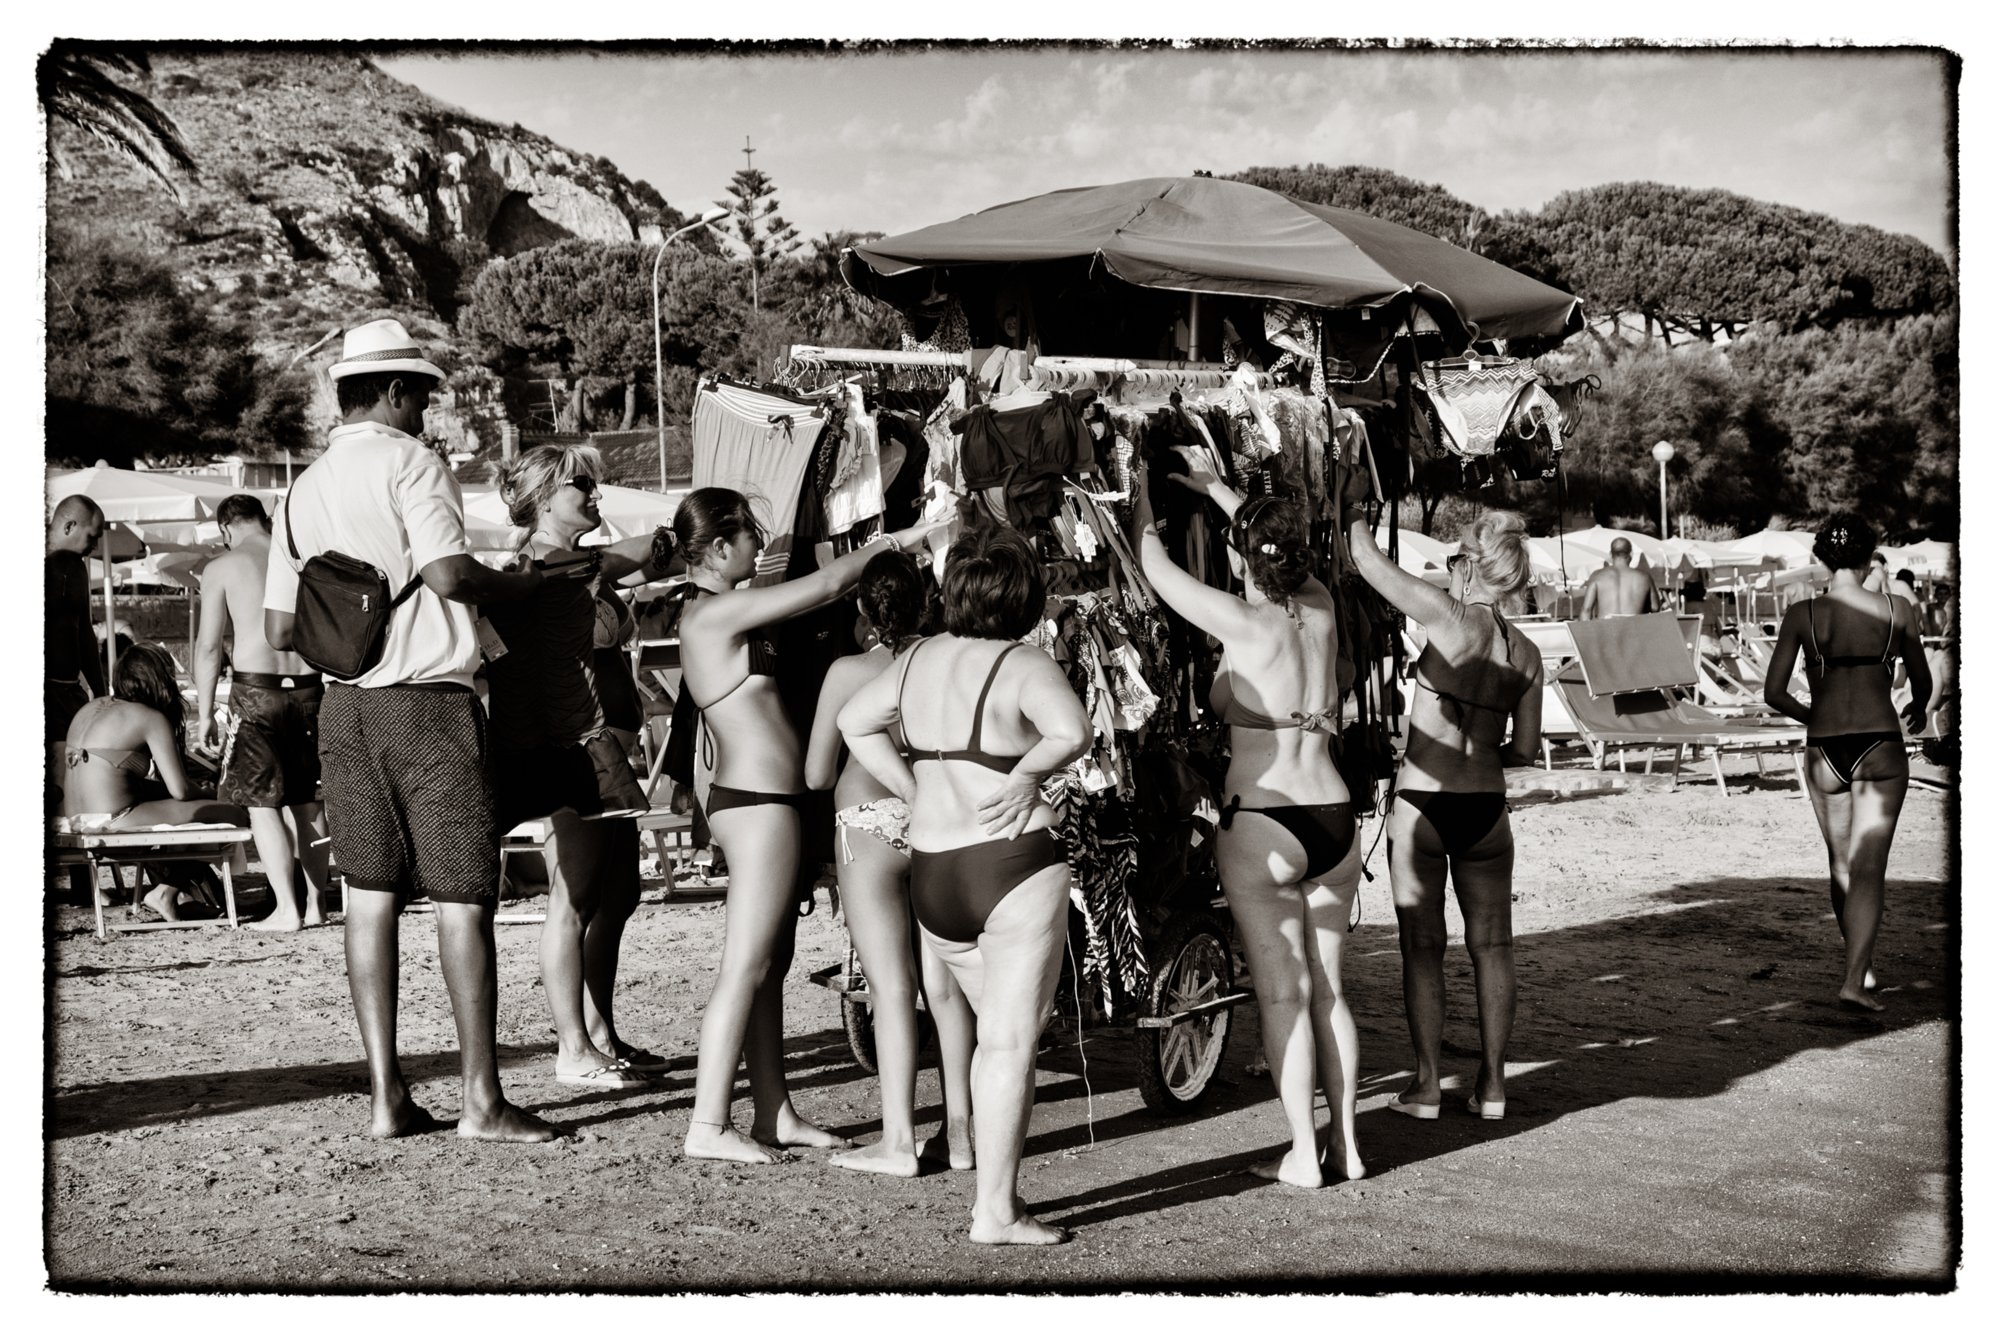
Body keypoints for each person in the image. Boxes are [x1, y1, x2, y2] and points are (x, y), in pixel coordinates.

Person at [264, 317, 593, 1143]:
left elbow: (277, 627)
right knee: (461, 899)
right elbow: (449, 573)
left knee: (367, 899)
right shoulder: (413, 463)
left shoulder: (300, 490)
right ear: (396, 391)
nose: (427, 411)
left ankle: (387, 1098)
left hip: (344, 709)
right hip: (428, 705)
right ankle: (481, 1101)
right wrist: (516, 585)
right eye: (421, 394)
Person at [839, 529, 1091, 1245]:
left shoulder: (917, 658)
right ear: (1025, 599)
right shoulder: (1023, 662)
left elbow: (853, 721)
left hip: (936, 871)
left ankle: (991, 1191)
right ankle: (997, 1211)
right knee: (1010, 1042)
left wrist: (911, 786)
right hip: (1010, 865)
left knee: (993, 1039)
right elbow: (1072, 731)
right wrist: (1023, 776)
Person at [676, 488, 939, 1165]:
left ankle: (773, 1109)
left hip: (768, 801)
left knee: (770, 964)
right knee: (746, 962)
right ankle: (708, 1122)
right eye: (749, 537)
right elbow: (826, 582)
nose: (759, 549)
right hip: (759, 803)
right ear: (720, 545)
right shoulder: (713, 612)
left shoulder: (721, 607)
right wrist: (911, 538)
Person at [1128, 450, 1365, 1188]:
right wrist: (1221, 490)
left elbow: (1156, 566)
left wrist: (1140, 488)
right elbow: (1274, 542)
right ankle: (1349, 1146)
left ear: (1243, 558)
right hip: (1333, 816)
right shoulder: (1321, 603)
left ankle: (1302, 1152)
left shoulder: (1240, 619)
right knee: (1329, 990)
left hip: (1263, 818)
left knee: (1282, 993)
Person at [487, 442, 680, 1090]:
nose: (596, 496)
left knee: (616, 891)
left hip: (608, 742)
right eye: (582, 487)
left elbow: (653, 553)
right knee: (572, 897)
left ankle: (599, 1030)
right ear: (545, 497)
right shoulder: (536, 570)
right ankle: (573, 1044)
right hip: (579, 746)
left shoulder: (581, 566)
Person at [1347, 508, 1543, 1121]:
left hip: (1423, 803)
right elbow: (1525, 750)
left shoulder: (1446, 615)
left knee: (1422, 947)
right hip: (1486, 807)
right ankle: (1492, 1087)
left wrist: (1356, 510)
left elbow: (1366, 561)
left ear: (1468, 565)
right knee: (1494, 946)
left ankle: (1428, 1085)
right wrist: (1483, 741)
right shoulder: (1528, 654)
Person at [804, 548, 975, 1177]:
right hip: (937, 820)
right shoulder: (947, 658)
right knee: (947, 986)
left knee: (891, 988)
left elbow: (818, 773)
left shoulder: (849, 671)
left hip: (868, 825)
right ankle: (960, 1134)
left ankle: (897, 1140)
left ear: (861, 608)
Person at [1761, 513, 1930, 1012]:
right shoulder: (1897, 610)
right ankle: (1855, 977)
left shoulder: (1802, 614)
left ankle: (1861, 964)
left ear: (1821, 557)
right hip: (1880, 744)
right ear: (1867, 556)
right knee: (1870, 867)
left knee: (1841, 863)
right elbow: (1922, 682)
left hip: (1824, 748)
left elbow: (1773, 693)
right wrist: (1918, 707)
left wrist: (1811, 712)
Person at [191, 494, 332, 932]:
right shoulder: (300, 557)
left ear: (226, 529)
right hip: (310, 688)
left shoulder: (221, 567)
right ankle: (317, 905)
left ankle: (287, 910)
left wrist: (204, 713)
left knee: (261, 804)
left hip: (257, 694)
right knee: (308, 801)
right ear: (265, 520)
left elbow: (209, 647)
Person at [62, 642, 250, 920]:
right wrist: (210, 792)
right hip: (115, 819)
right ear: (158, 680)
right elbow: (181, 790)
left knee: (184, 809)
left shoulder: (91, 708)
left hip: (76, 818)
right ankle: (166, 891)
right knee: (234, 813)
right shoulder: (149, 717)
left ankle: (177, 892)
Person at [48, 495, 107, 773]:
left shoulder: (75, 568)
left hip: (69, 692)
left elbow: (83, 632)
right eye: (92, 537)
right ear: (69, 526)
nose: (95, 546)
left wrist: (100, 688)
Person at [1578, 537, 1656, 618]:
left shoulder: (1597, 576)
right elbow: (1655, 607)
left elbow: (1586, 610)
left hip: (1605, 628)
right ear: (1631, 554)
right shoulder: (1644, 577)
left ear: (1610, 554)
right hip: (1634, 627)